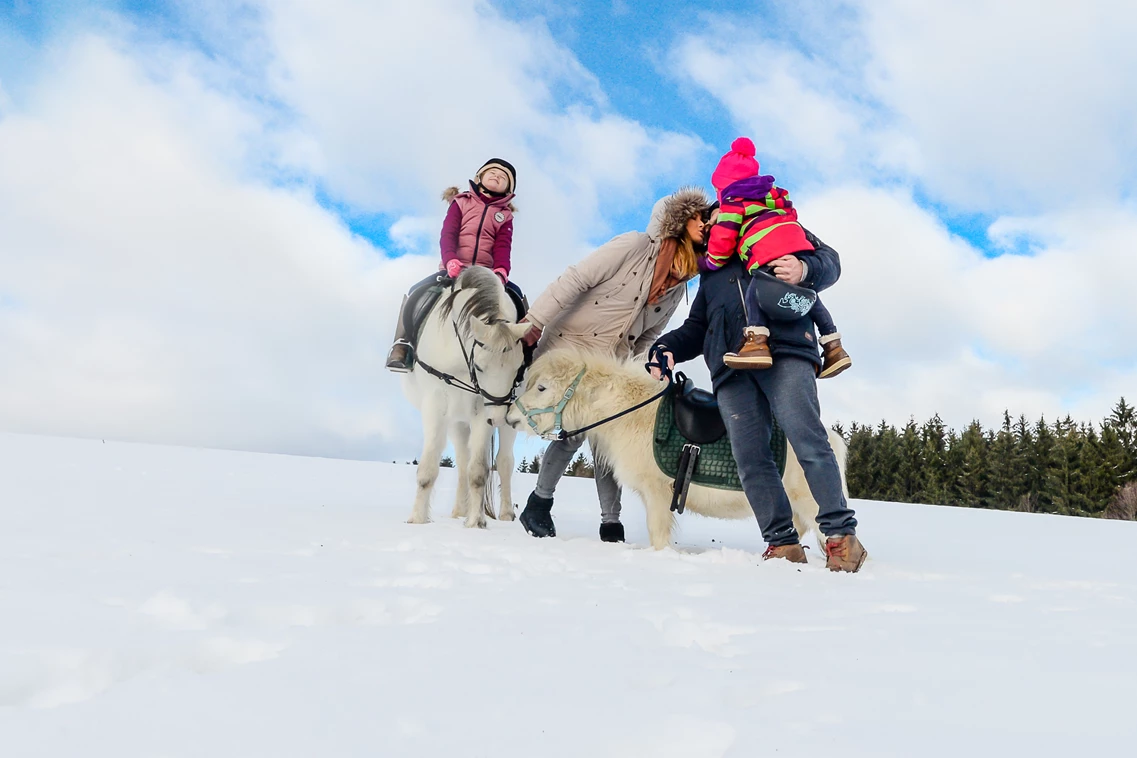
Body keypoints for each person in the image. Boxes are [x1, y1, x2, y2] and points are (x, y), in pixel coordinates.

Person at [647, 212, 869, 572]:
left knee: (806, 438)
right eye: (710, 220)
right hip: (731, 368)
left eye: (720, 214)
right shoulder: (712, 271)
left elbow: (830, 261)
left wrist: (803, 268)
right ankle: (782, 542)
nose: (716, 223)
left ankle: (841, 538)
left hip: (786, 351)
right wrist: (667, 347)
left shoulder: (773, 228)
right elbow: (697, 327)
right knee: (750, 457)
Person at [518, 187, 712, 543]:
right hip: (570, 349)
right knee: (573, 432)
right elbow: (576, 279)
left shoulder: (680, 283)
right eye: (698, 217)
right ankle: (539, 503)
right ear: (679, 221)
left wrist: (642, 372)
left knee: (611, 434)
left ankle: (611, 522)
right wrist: (534, 321)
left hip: (612, 363)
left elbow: (650, 334)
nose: (705, 224)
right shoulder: (634, 246)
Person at [705, 138, 851, 379]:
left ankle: (756, 342)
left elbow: (831, 262)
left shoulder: (733, 207)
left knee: (756, 291)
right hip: (793, 242)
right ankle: (834, 347)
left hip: (791, 347)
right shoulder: (774, 204)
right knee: (809, 298)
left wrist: (804, 268)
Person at [386, 158, 522, 372]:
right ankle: (403, 344)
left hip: (485, 275)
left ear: (508, 189)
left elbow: (503, 246)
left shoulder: (504, 216)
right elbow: (448, 234)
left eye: (503, 177)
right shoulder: (461, 202)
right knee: (417, 292)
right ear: (479, 177)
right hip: (455, 268)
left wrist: (501, 272)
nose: (497, 177)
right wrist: (450, 260)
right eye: (492, 173)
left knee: (517, 297)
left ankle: (525, 353)